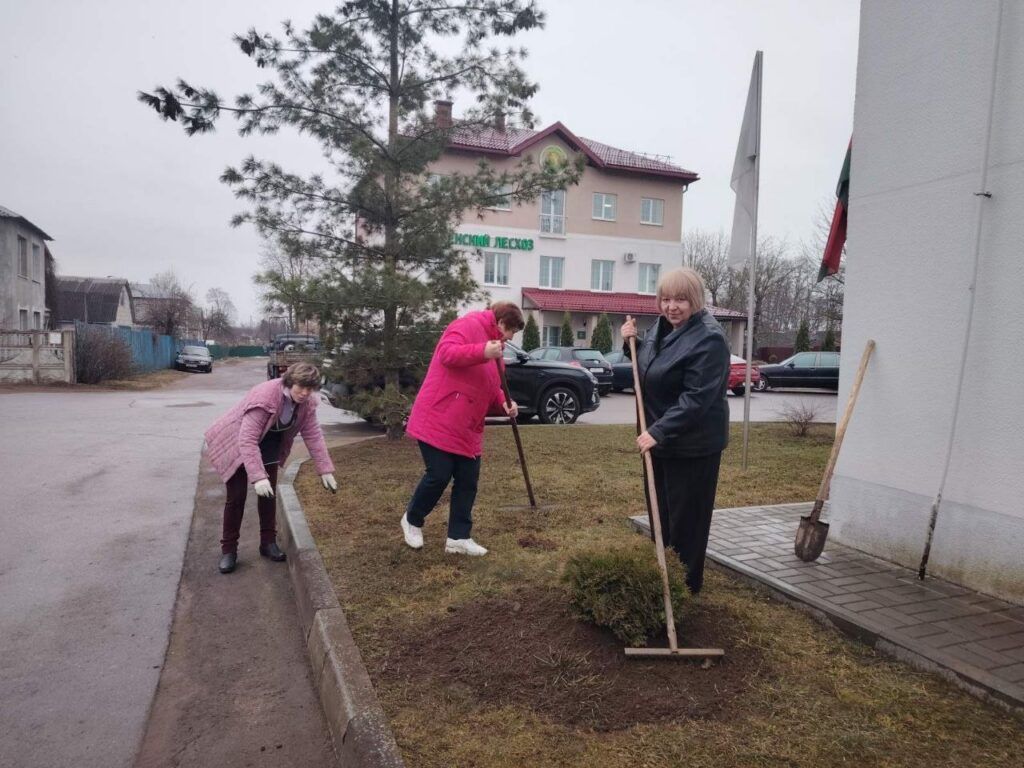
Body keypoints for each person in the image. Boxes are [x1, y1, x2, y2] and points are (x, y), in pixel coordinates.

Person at [621, 267, 730, 594]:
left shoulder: (709, 338)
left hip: (692, 445)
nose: (672, 307)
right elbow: (653, 364)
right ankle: (663, 578)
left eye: (680, 300)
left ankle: (685, 588)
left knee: (686, 522)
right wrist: (632, 344)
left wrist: (659, 431)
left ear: (695, 300)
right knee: (662, 515)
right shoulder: (662, 327)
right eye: (666, 299)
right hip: (658, 440)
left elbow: (697, 397)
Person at [401, 302, 525, 556]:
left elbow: (493, 385)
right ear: (500, 322)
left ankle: (458, 537)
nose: (512, 337)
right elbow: (446, 354)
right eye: (511, 330)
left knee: (468, 481)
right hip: (439, 417)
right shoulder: (466, 325)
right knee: (439, 474)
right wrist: (481, 351)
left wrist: (505, 402)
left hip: (467, 426)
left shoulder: (496, 349)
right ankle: (412, 520)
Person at [204, 362, 338, 574]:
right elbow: (247, 440)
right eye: (300, 387)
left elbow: (313, 435)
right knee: (236, 498)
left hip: (269, 443)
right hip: (237, 442)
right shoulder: (265, 396)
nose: (304, 393)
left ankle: (267, 543)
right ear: (289, 382)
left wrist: (325, 469)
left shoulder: (307, 403)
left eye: (309, 388)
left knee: (269, 495)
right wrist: (257, 477)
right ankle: (229, 550)